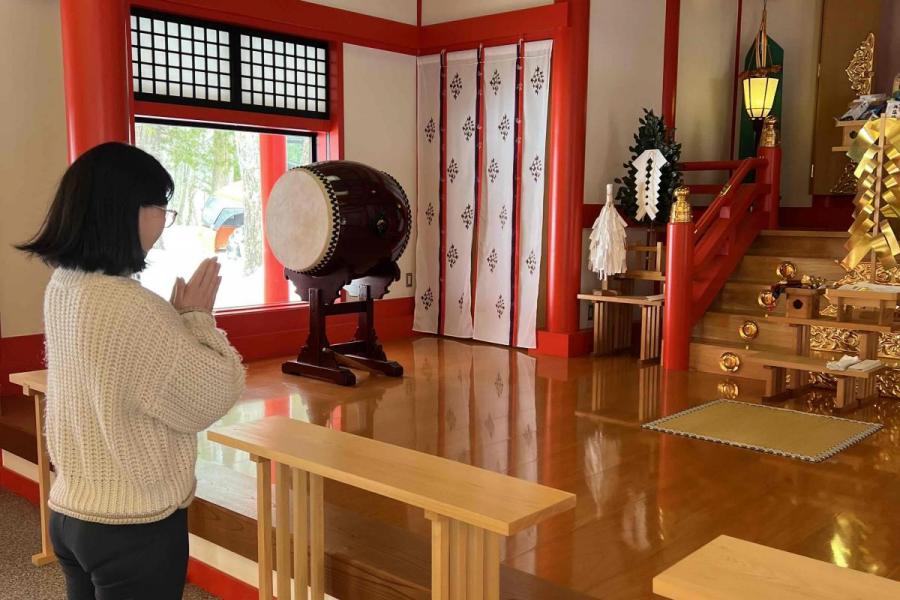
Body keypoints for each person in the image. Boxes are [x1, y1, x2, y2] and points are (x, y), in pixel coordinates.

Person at [16, 142, 246, 600]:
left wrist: (178, 322)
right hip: (132, 526)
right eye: (160, 206)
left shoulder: (64, 285)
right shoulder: (132, 307)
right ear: (123, 211)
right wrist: (197, 319)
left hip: (71, 513)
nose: (163, 220)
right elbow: (212, 396)